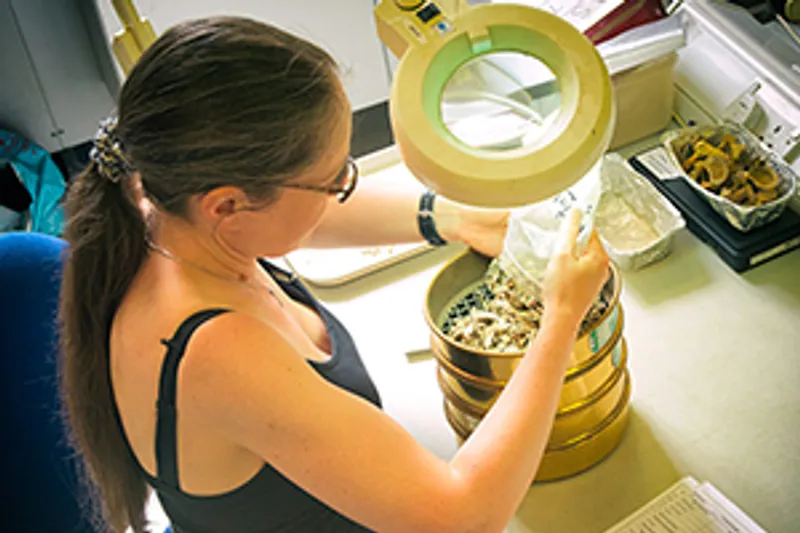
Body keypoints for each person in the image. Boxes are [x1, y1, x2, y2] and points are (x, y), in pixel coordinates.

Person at [59, 16, 609, 533]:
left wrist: (455, 218)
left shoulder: (159, 197)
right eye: (333, 180)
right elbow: (460, 517)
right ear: (227, 205)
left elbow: (295, 215)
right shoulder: (219, 355)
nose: (343, 188)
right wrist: (560, 319)